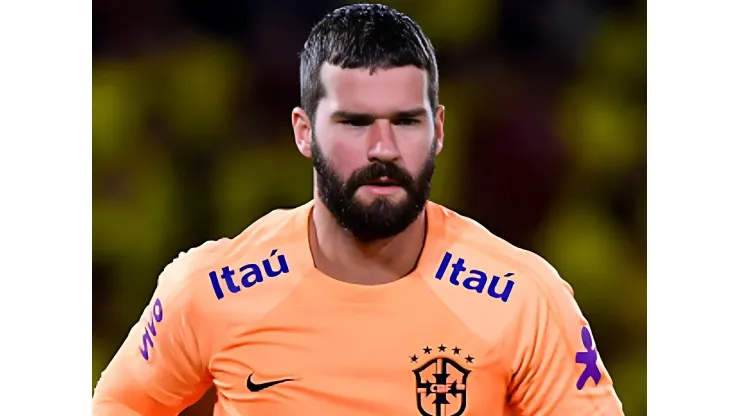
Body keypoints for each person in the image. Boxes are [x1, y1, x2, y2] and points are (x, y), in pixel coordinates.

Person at [92, 4, 624, 415]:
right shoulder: (211, 289)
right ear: (304, 132)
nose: (384, 148)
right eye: (354, 122)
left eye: (406, 121)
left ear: (438, 130)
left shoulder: (524, 298)